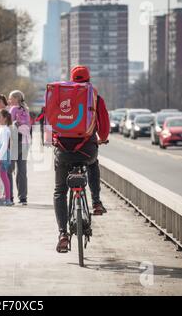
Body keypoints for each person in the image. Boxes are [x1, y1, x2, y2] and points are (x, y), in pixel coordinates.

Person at [53, 65, 110, 253]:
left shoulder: (60, 96)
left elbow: (50, 121)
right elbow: (104, 124)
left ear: (71, 79)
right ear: (88, 79)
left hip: (63, 150)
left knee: (60, 191)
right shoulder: (94, 96)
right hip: (87, 149)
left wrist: (52, 140)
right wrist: (102, 137)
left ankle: (62, 234)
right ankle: (96, 201)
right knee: (93, 163)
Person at [8, 90, 31, 205]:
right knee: (22, 171)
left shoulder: (13, 109)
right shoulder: (26, 110)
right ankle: (23, 198)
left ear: (16, 99)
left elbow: (9, 124)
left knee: (9, 169)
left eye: (10, 98)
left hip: (15, 141)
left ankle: (9, 196)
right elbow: (29, 125)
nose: (9, 100)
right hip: (25, 142)